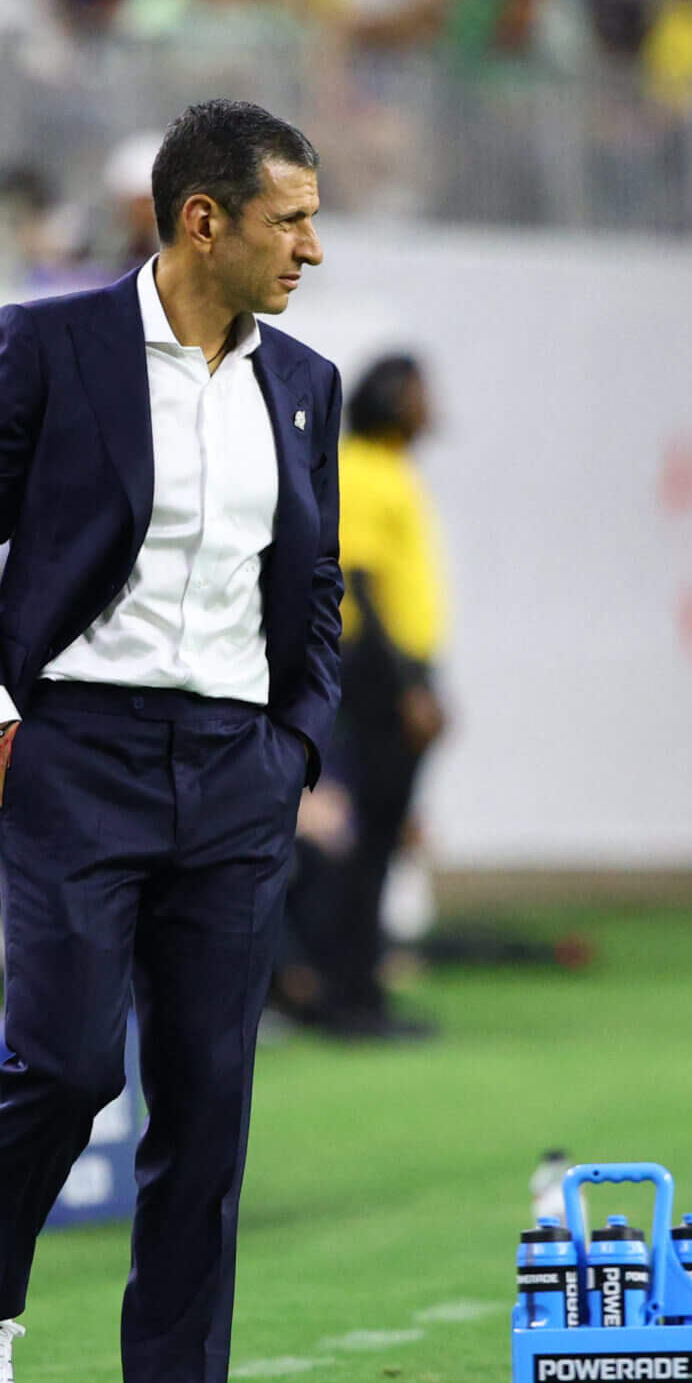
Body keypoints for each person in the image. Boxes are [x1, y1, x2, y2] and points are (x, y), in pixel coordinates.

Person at [0, 100, 338, 1383]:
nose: (311, 248)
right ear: (203, 219)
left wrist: (295, 744)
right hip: (69, 751)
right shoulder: (50, 346)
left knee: (210, 1081)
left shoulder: (306, 381)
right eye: (290, 218)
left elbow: (313, 589)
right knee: (75, 1061)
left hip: (233, 762)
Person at [275, 352, 449, 1039]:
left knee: (380, 842)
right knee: (366, 842)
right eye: (419, 391)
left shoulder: (392, 471)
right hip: (377, 672)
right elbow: (364, 584)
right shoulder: (368, 471)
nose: (428, 404)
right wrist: (408, 687)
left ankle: (360, 991)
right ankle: (350, 999)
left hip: (395, 671)